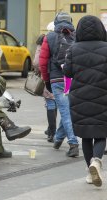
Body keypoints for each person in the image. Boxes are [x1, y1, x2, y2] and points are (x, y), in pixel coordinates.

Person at [63, 15, 107, 187]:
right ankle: (96, 161)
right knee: (101, 133)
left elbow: (67, 72)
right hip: (103, 96)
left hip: (80, 98)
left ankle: (90, 169)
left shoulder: (74, 49)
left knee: (86, 135)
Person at [39, 12, 79, 157]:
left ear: (56, 22)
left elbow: (43, 62)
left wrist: (46, 80)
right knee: (66, 110)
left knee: (65, 111)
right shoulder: (76, 36)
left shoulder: (48, 37)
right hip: (71, 79)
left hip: (56, 79)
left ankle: (73, 143)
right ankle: (58, 138)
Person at [34, 33, 57, 143]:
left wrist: (38, 71)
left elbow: (36, 62)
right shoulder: (66, 38)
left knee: (50, 104)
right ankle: (51, 129)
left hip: (48, 76)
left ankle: (52, 132)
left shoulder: (44, 41)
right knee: (57, 103)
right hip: (63, 77)